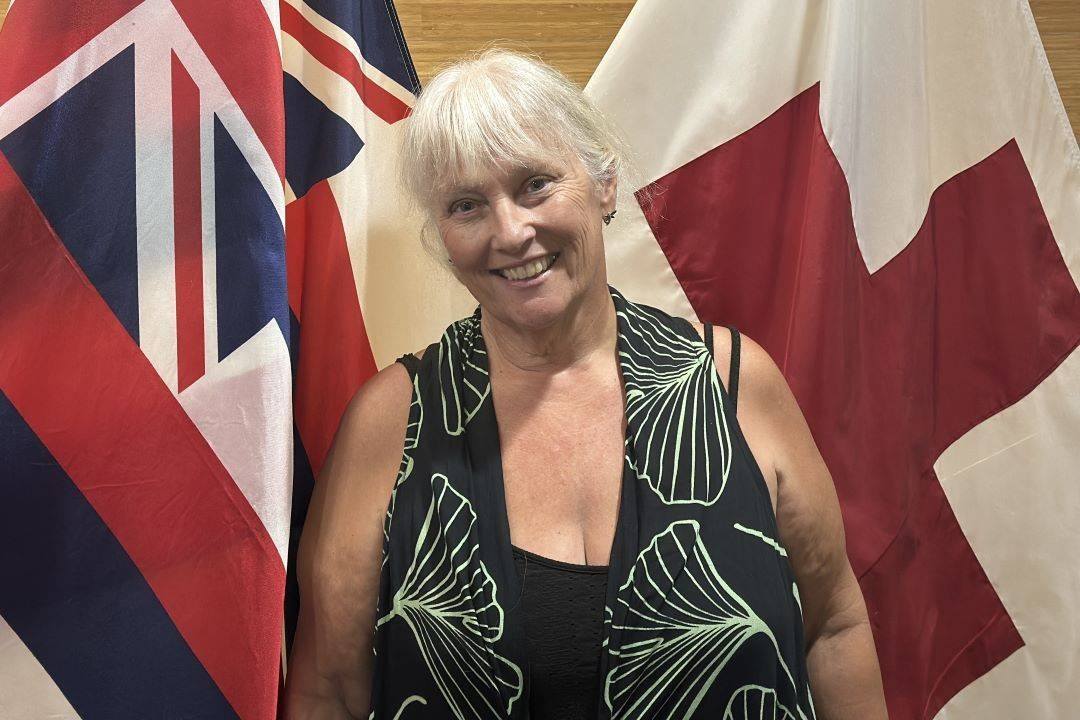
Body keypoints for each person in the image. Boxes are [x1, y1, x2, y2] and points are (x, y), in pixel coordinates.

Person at [284, 49, 888, 720]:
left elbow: (835, 629)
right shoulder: (391, 423)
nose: (511, 232)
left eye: (535, 184)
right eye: (466, 205)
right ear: (443, 239)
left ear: (603, 185)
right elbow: (329, 689)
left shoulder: (735, 385)